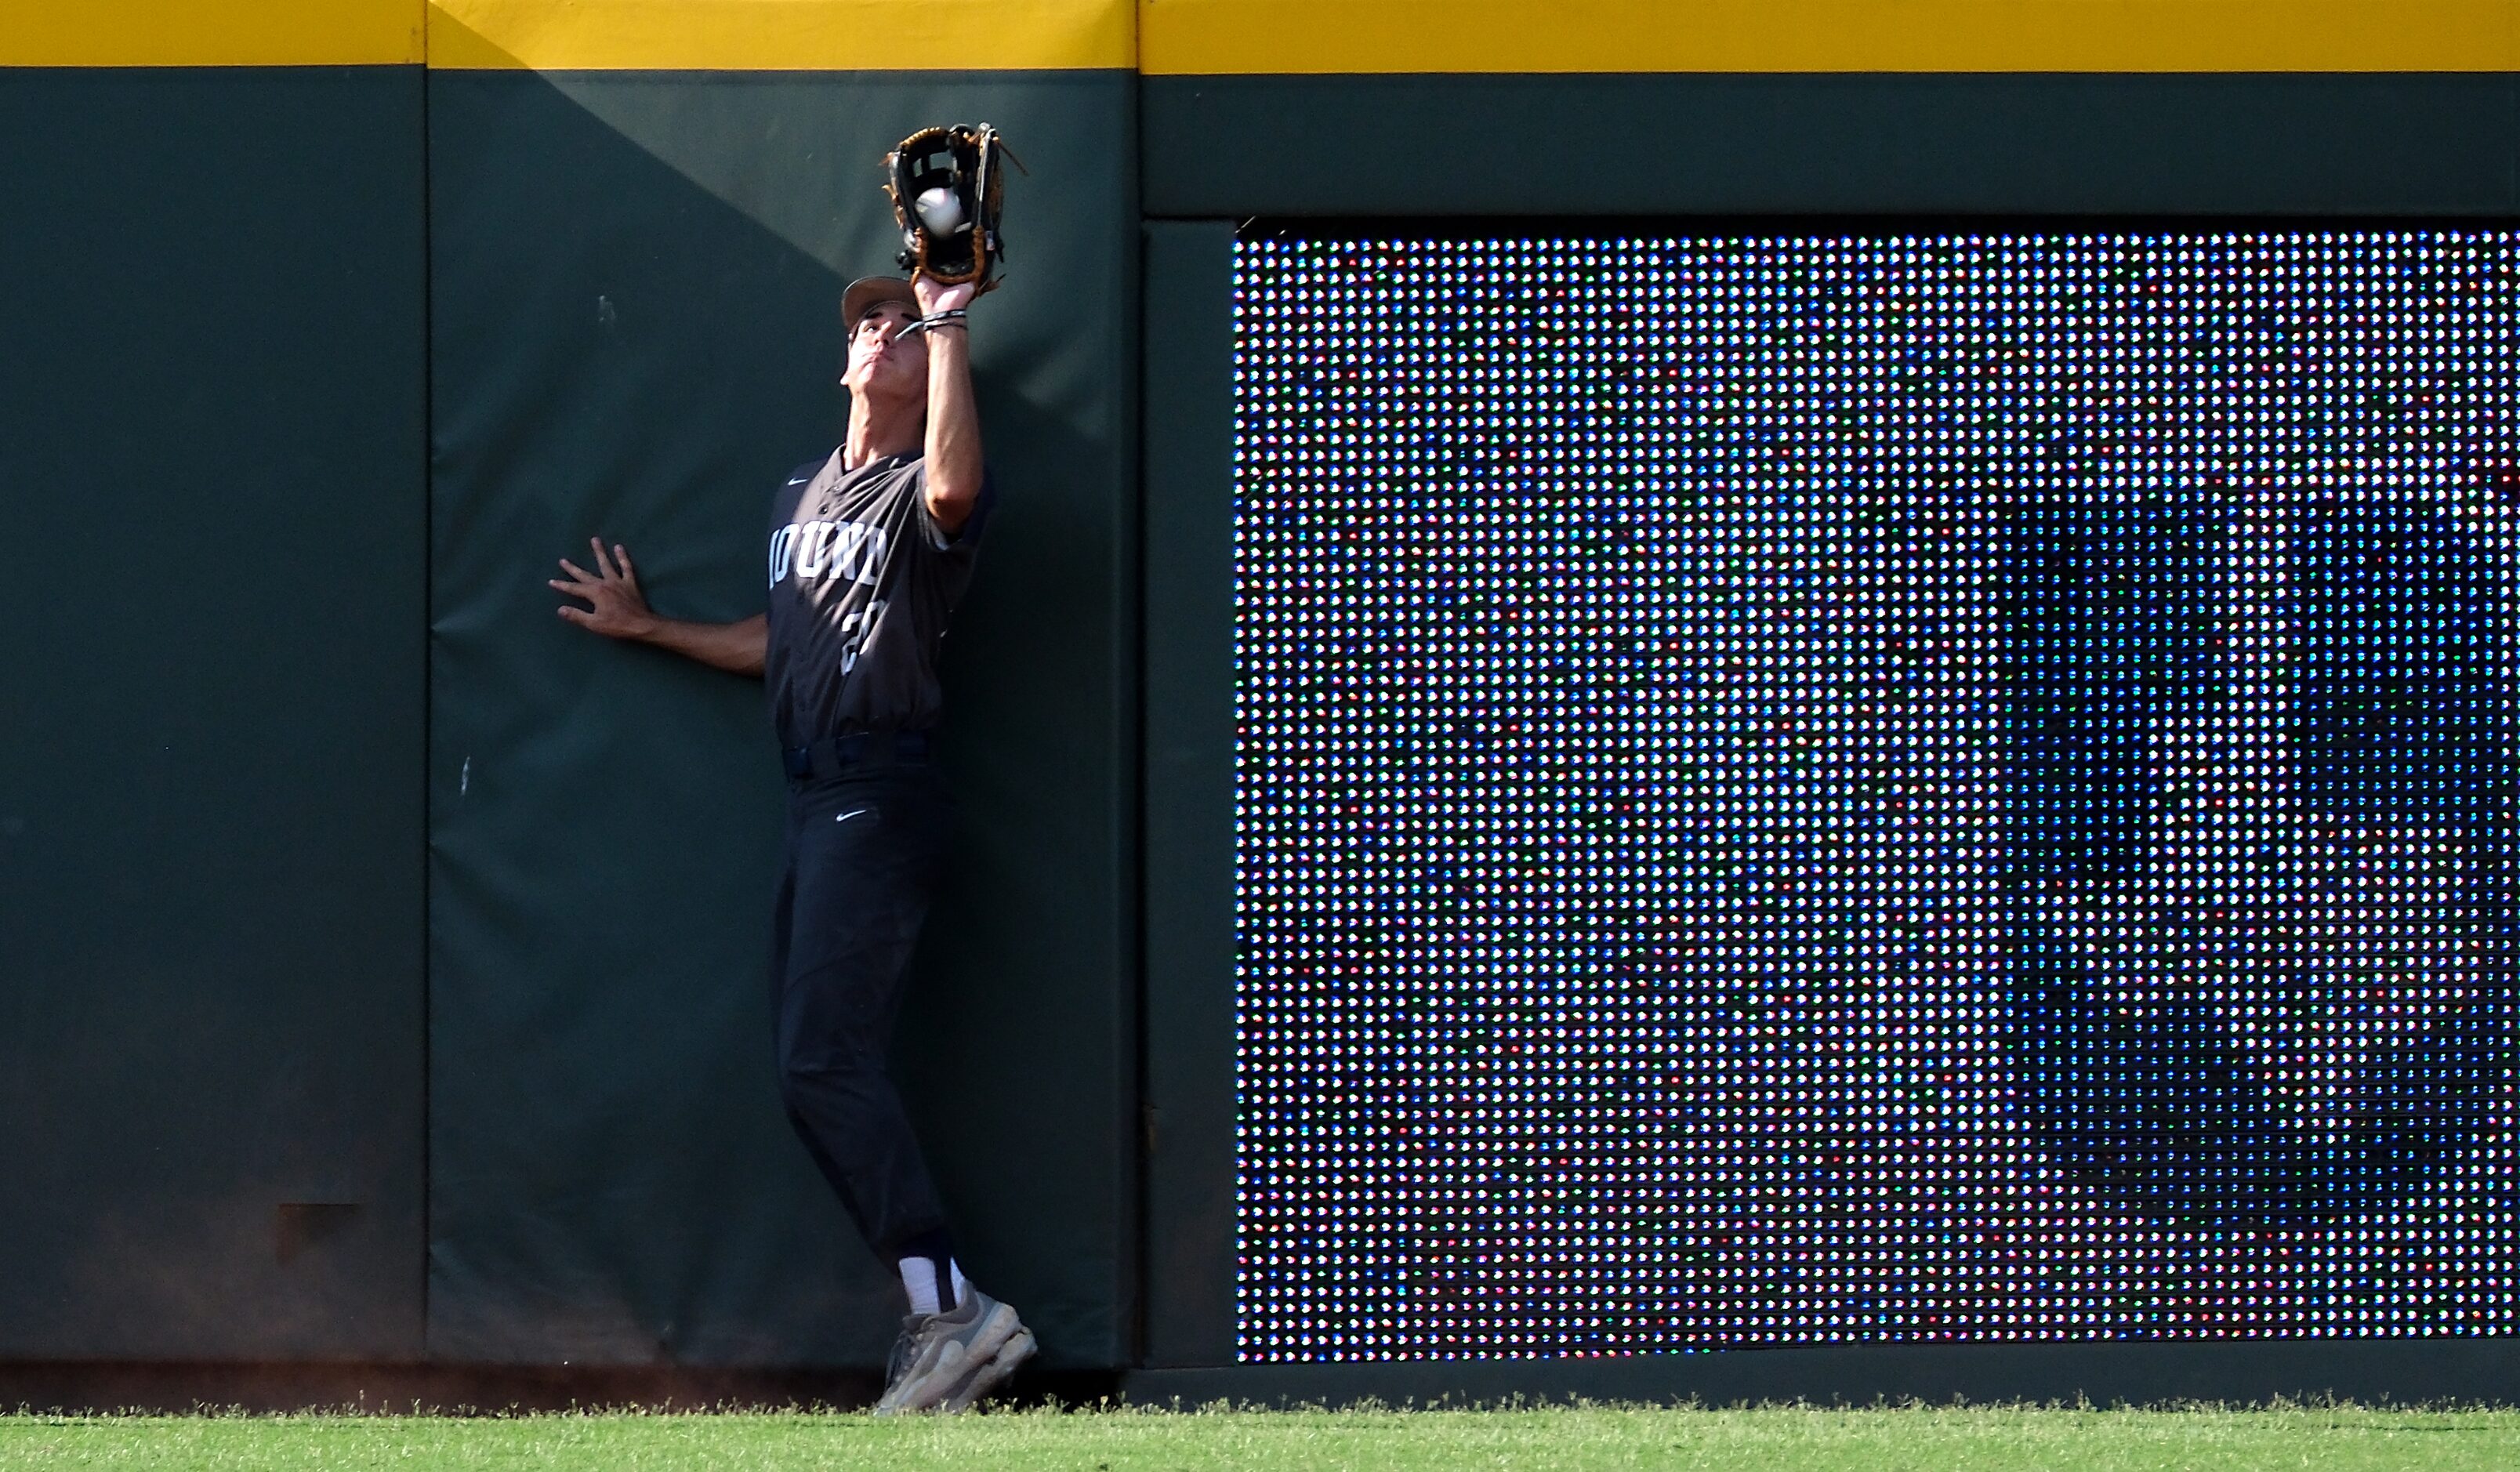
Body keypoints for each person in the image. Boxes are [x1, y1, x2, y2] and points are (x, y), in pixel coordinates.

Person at [550, 270, 1032, 1413]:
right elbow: (784, 638)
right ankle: (947, 1306)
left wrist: (951, 319)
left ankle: (950, 1308)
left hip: (884, 784)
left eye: (900, 326)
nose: (881, 331)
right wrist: (651, 625)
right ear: (843, 363)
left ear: (931, 367)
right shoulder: (798, 494)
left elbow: (961, 487)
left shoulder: (926, 483)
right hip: (815, 800)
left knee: (821, 1060)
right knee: (810, 1070)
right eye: (869, 321)